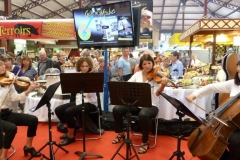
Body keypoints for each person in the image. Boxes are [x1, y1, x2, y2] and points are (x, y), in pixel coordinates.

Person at [112, 54, 167, 154]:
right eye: (144, 63)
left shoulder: (156, 77)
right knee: (116, 109)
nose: (147, 65)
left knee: (143, 114)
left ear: (152, 63)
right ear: (141, 65)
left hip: (152, 105)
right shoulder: (137, 74)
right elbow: (127, 85)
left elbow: (157, 94)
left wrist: (162, 85)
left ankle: (145, 141)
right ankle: (120, 133)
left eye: (149, 63)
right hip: (137, 104)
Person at [186, 60, 240, 160]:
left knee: (234, 139)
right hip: (231, 123)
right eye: (238, 72)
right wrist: (195, 95)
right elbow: (212, 87)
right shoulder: (235, 84)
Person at [0, 55, 40, 159]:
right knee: (11, 128)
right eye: (0, 65)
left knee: (33, 120)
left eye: (3, 64)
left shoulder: (8, 80)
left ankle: (28, 146)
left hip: (5, 113)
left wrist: (28, 90)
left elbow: (14, 97)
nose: (3, 67)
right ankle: (3, 156)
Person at [55, 57, 101, 146]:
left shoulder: (93, 77)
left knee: (68, 112)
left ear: (89, 67)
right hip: (79, 101)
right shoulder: (76, 76)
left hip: (90, 103)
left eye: (86, 66)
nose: (84, 68)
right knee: (58, 110)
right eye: (82, 66)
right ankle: (71, 130)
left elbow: (90, 96)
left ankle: (71, 137)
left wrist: (89, 84)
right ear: (79, 67)